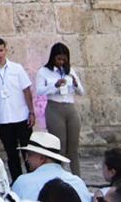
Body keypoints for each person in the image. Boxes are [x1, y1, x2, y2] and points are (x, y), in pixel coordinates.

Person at [0, 38, 35, 182]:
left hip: (21, 116)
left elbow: (26, 90)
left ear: (6, 50)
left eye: (1, 50)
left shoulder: (17, 68)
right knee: (11, 155)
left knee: (27, 152)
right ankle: (17, 182)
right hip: (5, 119)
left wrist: (31, 111)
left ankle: (32, 179)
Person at [36, 43, 85, 176]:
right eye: (59, 59)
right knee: (60, 146)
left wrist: (75, 84)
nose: (61, 62)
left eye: (64, 59)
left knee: (73, 147)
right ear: (53, 58)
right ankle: (61, 176)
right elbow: (39, 91)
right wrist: (54, 86)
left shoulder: (70, 71)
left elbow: (81, 92)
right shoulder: (43, 72)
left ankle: (77, 177)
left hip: (70, 108)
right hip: (54, 108)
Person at [11, 131, 91, 202]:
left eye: (29, 155)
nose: (26, 159)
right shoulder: (78, 182)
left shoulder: (22, 182)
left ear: (42, 158)